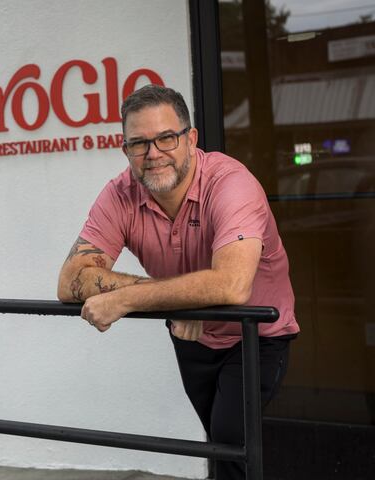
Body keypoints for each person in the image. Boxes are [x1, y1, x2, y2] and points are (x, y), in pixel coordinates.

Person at [56, 84, 299, 480]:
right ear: (125, 150)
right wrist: (172, 303)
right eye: (139, 143)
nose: (153, 154)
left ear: (190, 139)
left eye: (166, 138)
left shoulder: (230, 184)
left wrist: (127, 300)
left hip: (256, 334)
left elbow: (233, 285)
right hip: (190, 333)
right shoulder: (120, 194)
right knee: (220, 447)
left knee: (230, 440)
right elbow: (69, 281)